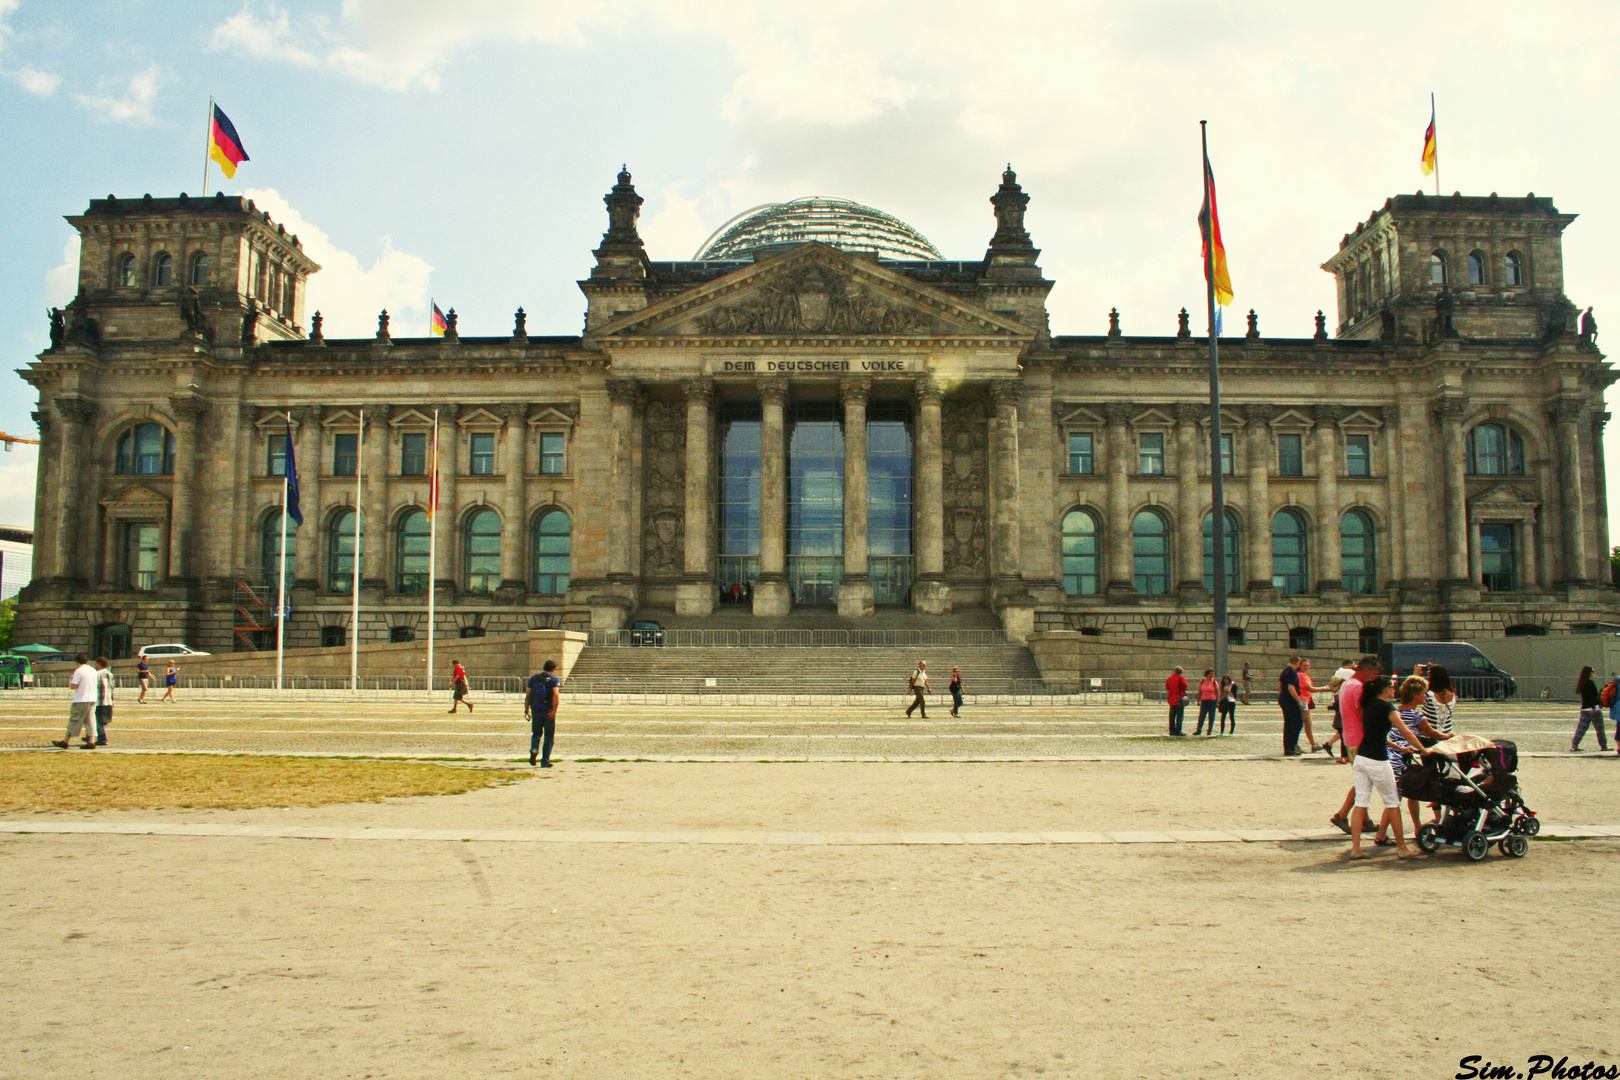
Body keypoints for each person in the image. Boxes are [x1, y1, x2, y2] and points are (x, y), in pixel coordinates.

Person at [1348, 675, 1427, 859]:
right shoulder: (1387, 707)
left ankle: (1356, 848)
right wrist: (1422, 750)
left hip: (1362, 758)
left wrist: (1399, 747)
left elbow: (1377, 735)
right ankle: (1401, 847)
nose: (1394, 690)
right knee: (1392, 802)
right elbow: (1405, 731)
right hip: (1377, 760)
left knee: (1360, 803)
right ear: (1385, 689)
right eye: (1391, 687)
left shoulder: (1368, 705)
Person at [1330, 656, 1381, 833]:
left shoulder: (1347, 684)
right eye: (1374, 674)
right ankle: (1342, 815)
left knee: (1364, 780)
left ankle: (1365, 820)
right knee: (1365, 781)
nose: (1374, 677)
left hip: (1350, 737)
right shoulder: (1359, 688)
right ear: (1366, 670)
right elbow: (1362, 715)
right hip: (1360, 739)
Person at [52, 653, 99, 750]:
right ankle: (91, 741)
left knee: (74, 719)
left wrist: (71, 679)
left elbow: (73, 686)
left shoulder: (79, 671)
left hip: (81, 699)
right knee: (90, 721)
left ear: (77, 662)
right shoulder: (94, 670)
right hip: (92, 698)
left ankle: (66, 741)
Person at [526, 660, 561, 768]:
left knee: (536, 733)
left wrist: (526, 710)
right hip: (547, 711)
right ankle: (545, 761)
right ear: (553, 669)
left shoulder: (534, 678)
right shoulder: (554, 680)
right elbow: (555, 694)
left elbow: (528, 695)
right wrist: (554, 710)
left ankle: (534, 749)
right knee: (549, 736)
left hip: (536, 709)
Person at [1320, 659, 1356, 758]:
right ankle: (1345, 756)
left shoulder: (1338, 674)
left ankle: (1329, 744)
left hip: (1340, 712)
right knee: (1345, 733)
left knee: (1342, 732)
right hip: (1344, 712)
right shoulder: (1347, 673)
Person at [1571, 665, 1607, 751]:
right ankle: (1604, 746)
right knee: (1600, 728)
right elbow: (1591, 697)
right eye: (1593, 671)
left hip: (1585, 709)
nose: (1594, 673)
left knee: (1582, 727)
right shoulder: (1590, 683)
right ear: (1589, 673)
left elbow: (1586, 698)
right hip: (1593, 709)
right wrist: (1594, 707)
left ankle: (1575, 743)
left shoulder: (1583, 683)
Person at [1278, 655, 1305, 755]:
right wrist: (1299, 701)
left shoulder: (1285, 671)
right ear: (1298, 663)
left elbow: (1280, 685)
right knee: (1298, 723)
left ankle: (1288, 748)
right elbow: (1291, 688)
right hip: (1291, 700)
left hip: (1283, 699)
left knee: (1288, 724)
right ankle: (1292, 746)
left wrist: (1281, 696)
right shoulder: (1293, 673)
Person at [1298, 658, 1321, 753]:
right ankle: (1312, 744)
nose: (1306, 667)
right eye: (1304, 665)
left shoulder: (1305, 675)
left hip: (1306, 700)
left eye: (1308, 665)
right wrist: (1324, 688)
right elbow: (1309, 688)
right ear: (1300, 666)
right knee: (1305, 724)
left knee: (1307, 723)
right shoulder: (1301, 675)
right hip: (1302, 701)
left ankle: (1313, 744)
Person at [93, 656, 114, 747]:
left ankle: (102, 739)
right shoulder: (110, 674)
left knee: (98, 721)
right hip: (109, 700)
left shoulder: (97, 674)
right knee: (102, 721)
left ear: (99, 664)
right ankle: (91, 735)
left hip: (99, 700)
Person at [1165, 666, 1189, 736]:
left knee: (1172, 716)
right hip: (1179, 699)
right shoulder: (1181, 678)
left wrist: (1168, 697)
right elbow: (1186, 686)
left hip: (1172, 699)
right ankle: (1178, 730)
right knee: (1179, 716)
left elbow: (1168, 689)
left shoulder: (1169, 678)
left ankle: (1172, 730)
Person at [1194, 669, 1219, 736]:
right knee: (1202, 715)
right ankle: (1199, 730)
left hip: (1212, 700)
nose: (1212, 675)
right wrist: (1198, 700)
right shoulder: (1202, 682)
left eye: (1213, 674)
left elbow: (1217, 693)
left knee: (1211, 716)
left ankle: (1209, 730)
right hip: (1204, 700)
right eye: (1211, 674)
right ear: (1207, 674)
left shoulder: (1214, 683)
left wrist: (1218, 701)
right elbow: (1200, 691)